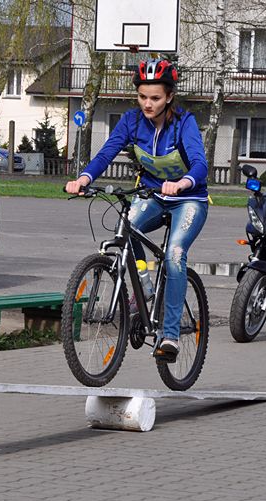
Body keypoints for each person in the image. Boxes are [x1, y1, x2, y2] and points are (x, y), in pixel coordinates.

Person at [65, 58, 209, 361]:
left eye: (155, 98)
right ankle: (144, 287)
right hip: (153, 194)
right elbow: (107, 151)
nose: (147, 104)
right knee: (126, 226)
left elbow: (199, 162)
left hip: (188, 199)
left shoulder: (184, 123)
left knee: (173, 257)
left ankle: (170, 335)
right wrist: (84, 178)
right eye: (142, 96)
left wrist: (182, 183)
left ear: (169, 96)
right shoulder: (131, 121)